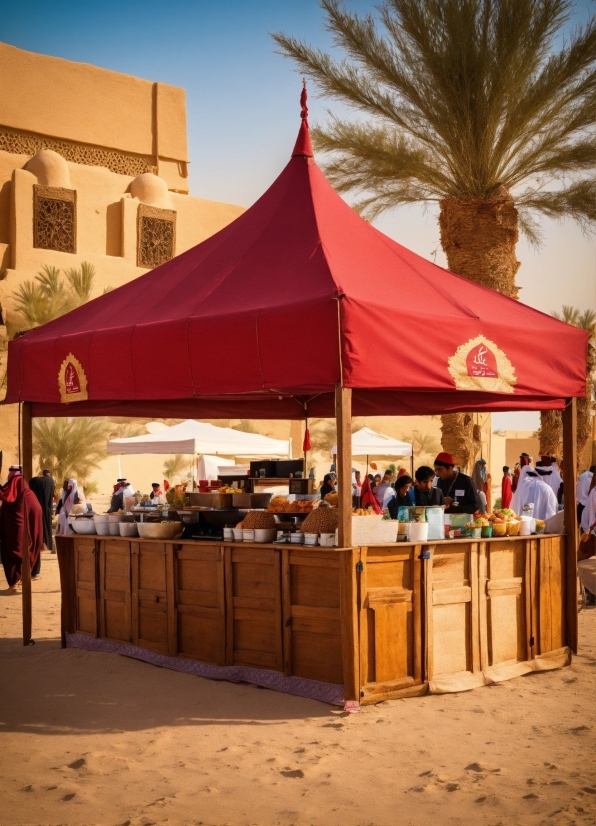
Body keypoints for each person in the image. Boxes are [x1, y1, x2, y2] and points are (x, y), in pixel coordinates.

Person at [0, 466, 44, 592]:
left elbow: (7, 496)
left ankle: (15, 583)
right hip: (27, 517)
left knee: (16, 547)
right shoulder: (21, 482)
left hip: (22, 519)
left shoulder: (17, 481)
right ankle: (21, 581)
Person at [29, 468, 55, 552]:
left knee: (40, 525)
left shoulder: (39, 481)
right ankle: (48, 544)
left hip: (40, 506)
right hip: (48, 507)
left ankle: (42, 544)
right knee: (48, 525)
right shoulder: (51, 481)